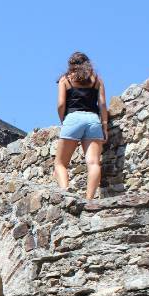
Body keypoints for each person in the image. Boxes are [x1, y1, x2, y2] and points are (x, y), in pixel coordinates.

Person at [53, 52, 108, 200]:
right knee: (94, 162)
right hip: (93, 120)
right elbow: (102, 104)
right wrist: (104, 125)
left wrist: (63, 121)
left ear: (70, 65)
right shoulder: (97, 80)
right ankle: (89, 199)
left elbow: (60, 105)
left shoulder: (65, 80)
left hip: (73, 118)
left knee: (60, 163)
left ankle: (66, 194)